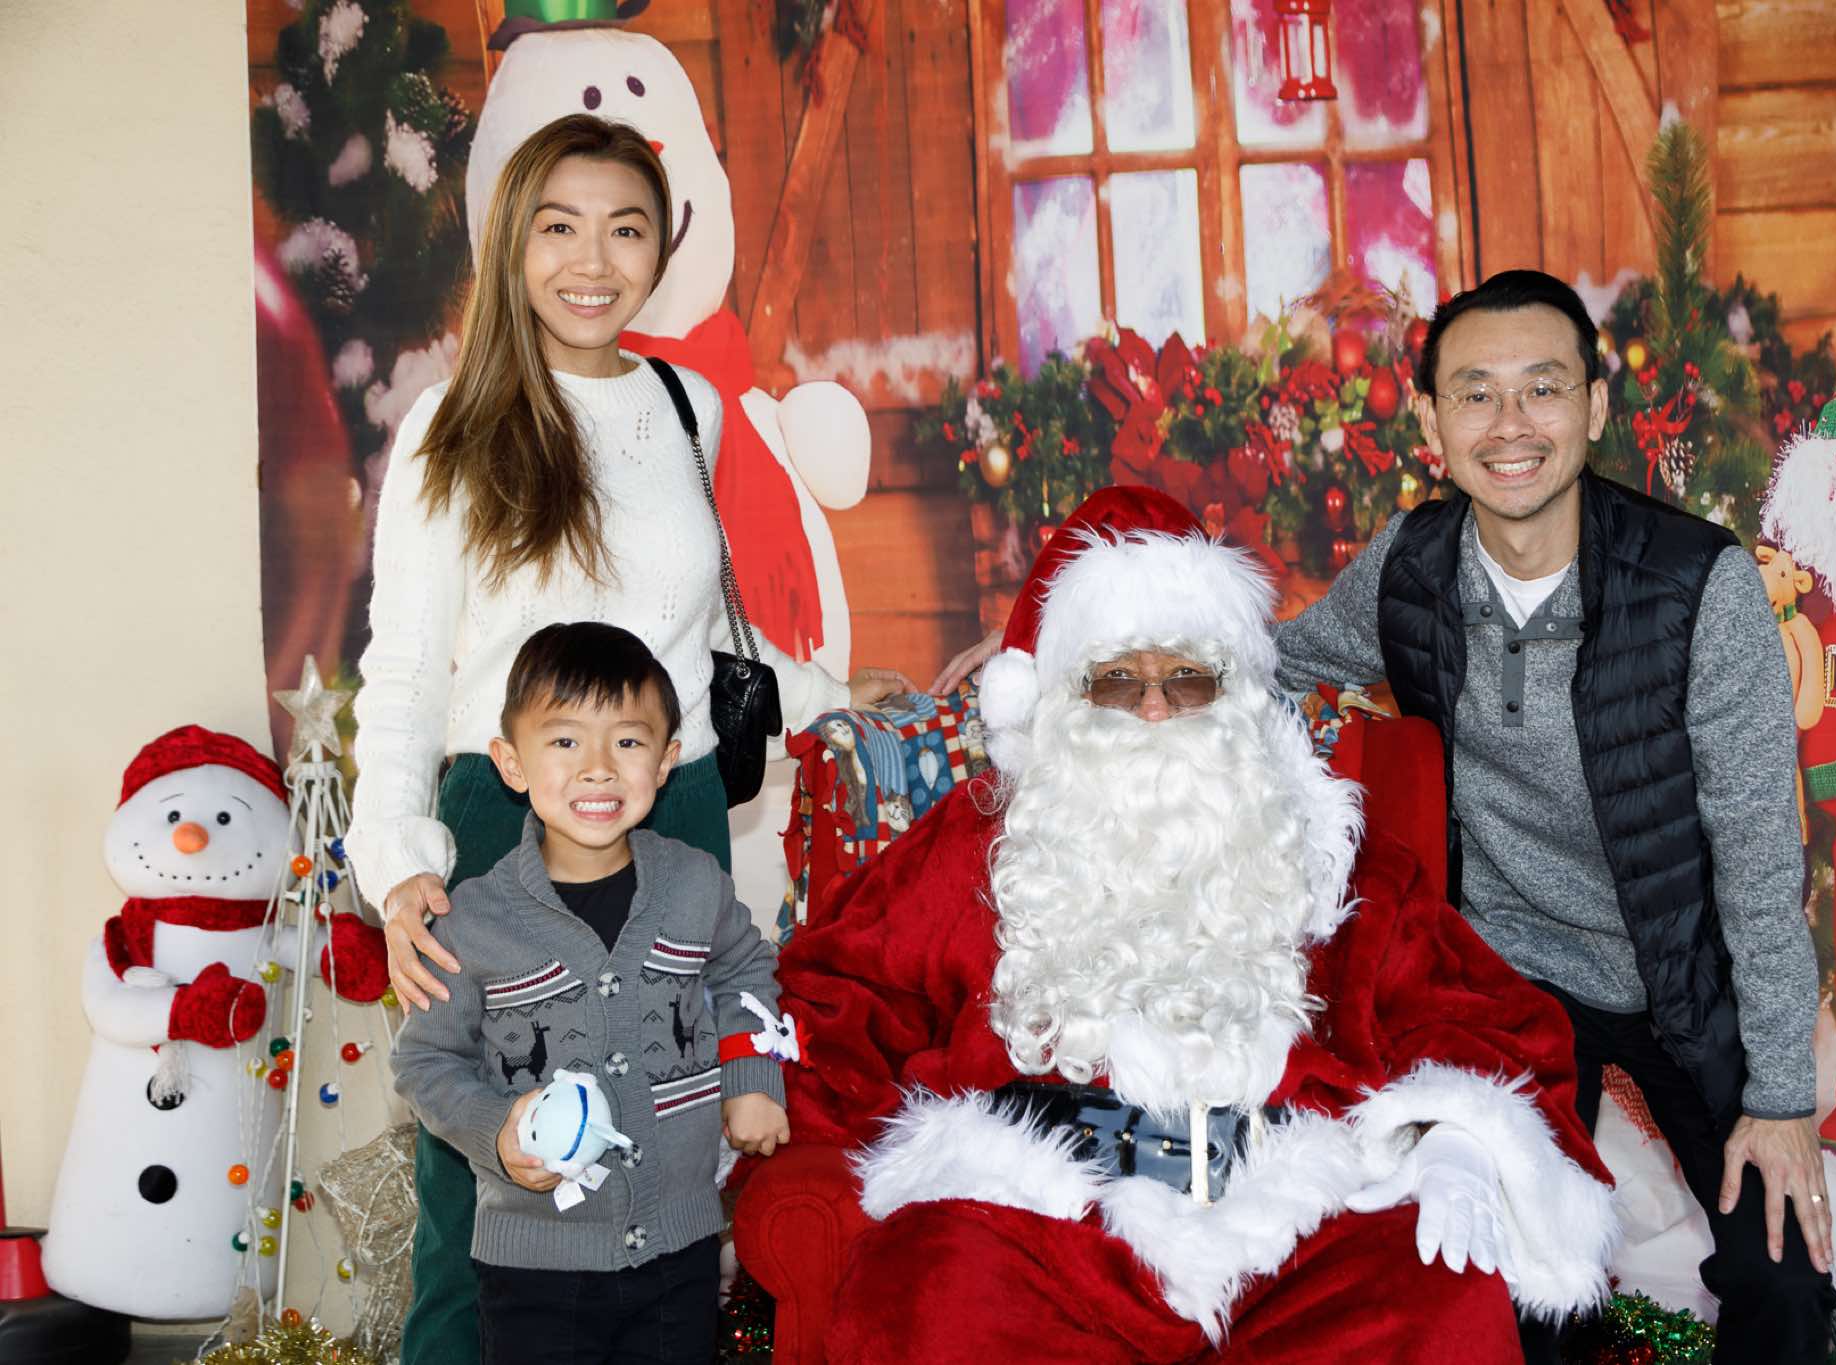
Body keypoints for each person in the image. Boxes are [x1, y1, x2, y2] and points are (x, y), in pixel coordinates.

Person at [774, 488, 1619, 1363]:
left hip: (1289, 1222)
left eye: (1187, 678)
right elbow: (834, 992)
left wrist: (1460, 1141)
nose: (1154, 708)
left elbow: (1474, 1007)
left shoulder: (1320, 844)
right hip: (1039, 1221)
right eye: (1117, 679)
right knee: (928, 1289)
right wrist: (897, 1151)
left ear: (1234, 691)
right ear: (1064, 697)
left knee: (1437, 1299)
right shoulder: (990, 836)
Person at [346, 113, 908, 1365]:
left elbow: (686, 636)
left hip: (677, 807)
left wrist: (831, 691)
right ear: (512, 241)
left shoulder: (685, 402)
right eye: (559, 227)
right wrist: (396, 864)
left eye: (624, 229)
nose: (591, 261)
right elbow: (404, 672)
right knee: (490, 1185)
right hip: (507, 824)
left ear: (662, 247)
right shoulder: (453, 421)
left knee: (659, 1164)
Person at [1272, 270, 1836, 1362]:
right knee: (1513, 1282)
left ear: (1593, 406)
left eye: (1542, 388)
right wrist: (1099, 647)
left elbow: (1760, 866)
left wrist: (1779, 1100)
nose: (1510, 425)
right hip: (1509, 973)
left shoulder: (1698, 588)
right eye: (1475, 394)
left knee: (1782, 1281)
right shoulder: (1410, 568)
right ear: (1431, 422)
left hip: (1681, 969)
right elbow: (1270, 659)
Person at [392, 622, 790, 1365]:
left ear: (667, 761)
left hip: (680, 1252)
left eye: (628, 742)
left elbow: (746, 970)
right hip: (533, 1271)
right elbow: (424, 1063)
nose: (599, 768)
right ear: (512, 763)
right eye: (566, 741)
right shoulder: (471, 920)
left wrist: (751, 1075)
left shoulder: (695, 885)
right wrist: (497, 1133)